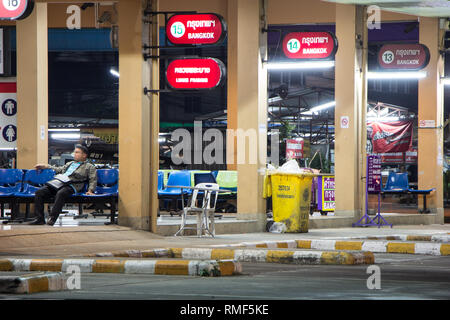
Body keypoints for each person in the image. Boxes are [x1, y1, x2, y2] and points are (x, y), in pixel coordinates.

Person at [28, 144, 97, 226]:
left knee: (61, 193)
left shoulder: (89, 166)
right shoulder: (70, 164)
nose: (75, 154)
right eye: (74, 152)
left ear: (84, 155)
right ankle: (39, 219)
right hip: (60, 183)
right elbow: (59, 170)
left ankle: (52, 219)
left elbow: (93, 179)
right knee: (39, 192)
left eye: (77, 152)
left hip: (73, 185)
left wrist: (90, 190)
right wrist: (46, 166)